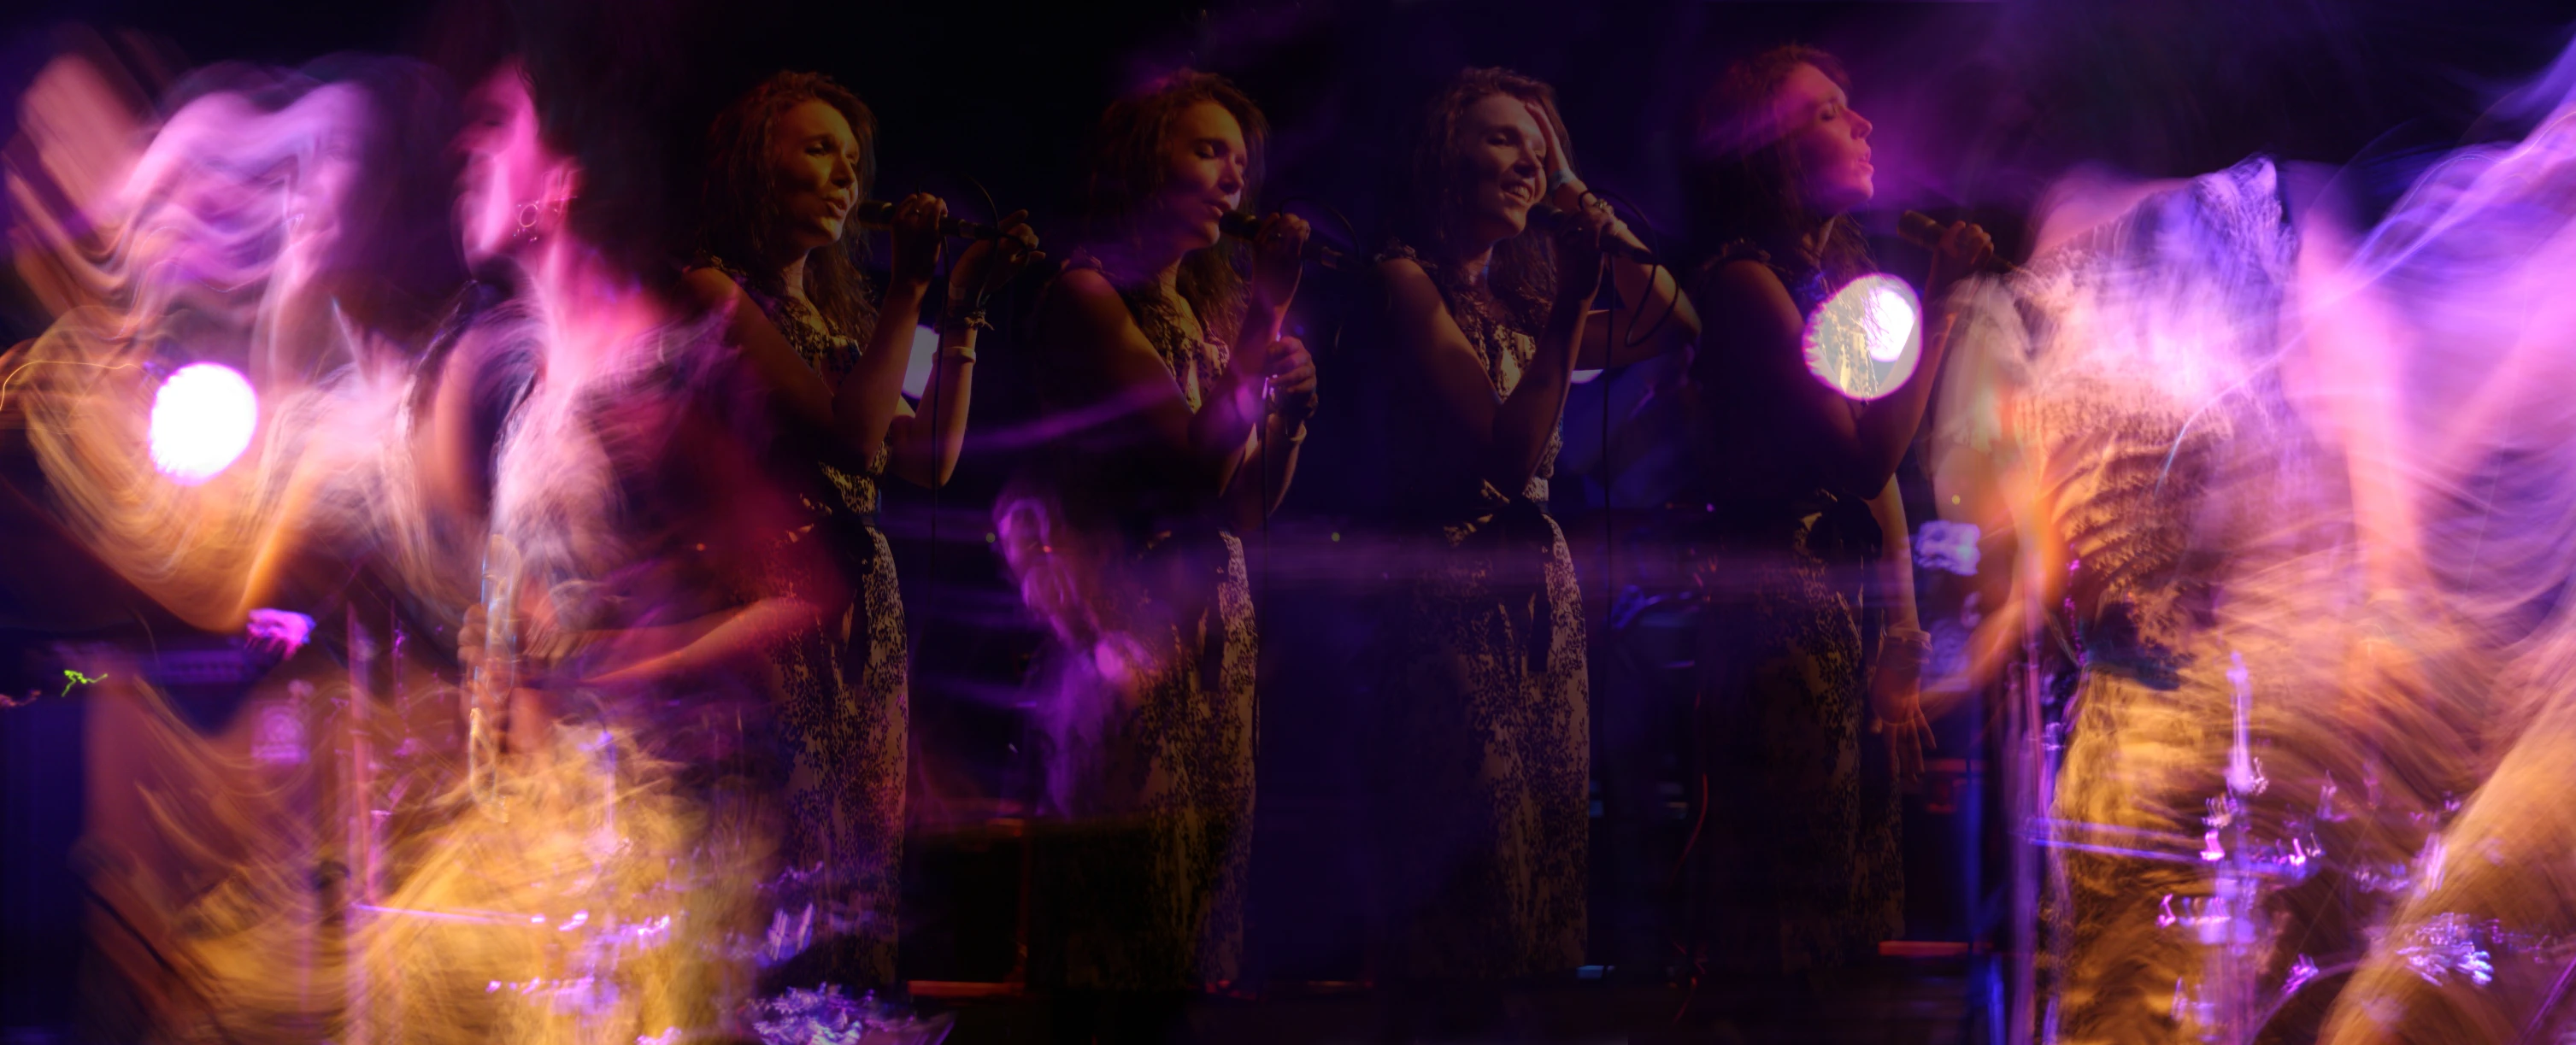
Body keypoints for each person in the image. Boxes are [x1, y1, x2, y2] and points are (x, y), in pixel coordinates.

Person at [679, 69, 1039, 992]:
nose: (846, 174)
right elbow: (845, 431)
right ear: (757, 169)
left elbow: (925, 454)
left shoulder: (845, 315)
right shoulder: (707, 285)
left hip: (861, 616)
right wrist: (910, 288)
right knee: (778, 863)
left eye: (853, 157)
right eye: (816, 149)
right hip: (770, 612)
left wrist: (956, 309)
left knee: (854, 864)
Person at [1354, 67, 1692, 1023]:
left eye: (1539, 151)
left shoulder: (1520, 303)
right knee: (1464, 880)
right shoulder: (1401, 277)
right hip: (1451, 606)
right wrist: (1570, 306)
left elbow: (1679, 320)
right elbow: (1507, 455)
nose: (1525, 163)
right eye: (1504, 140)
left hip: (1536, 605)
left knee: (1530, 884)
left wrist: (1590, 211)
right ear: (1444, 152)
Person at [991, 68, 1313, 1040]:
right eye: (1207, 152)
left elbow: (1243, 504)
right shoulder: (1087, 295)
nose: (1232, 180)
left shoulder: (1203, 316)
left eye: (1240, 163)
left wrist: (1291, 414)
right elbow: (1185, 464)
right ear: (1143, 160)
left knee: (1194, 911)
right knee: (1123, 917)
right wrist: (1266, 317)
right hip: (1127, 622)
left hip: (1216, 616)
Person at [1677, 44, 1991, 987]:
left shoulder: (1835, 275)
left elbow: (1882, 482)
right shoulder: (1743, 281)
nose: (1860, 126)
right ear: (1768, 150)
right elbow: (1862, 458)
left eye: (1851, 108)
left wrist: (1899, 626)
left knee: (1852, 887)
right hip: (1776, 623)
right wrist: (1936, 300)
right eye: (1826, 112)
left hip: (1840, 615)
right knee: (1790, 895)